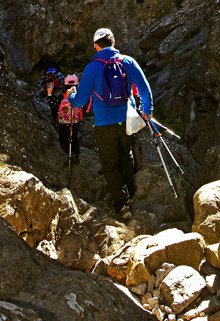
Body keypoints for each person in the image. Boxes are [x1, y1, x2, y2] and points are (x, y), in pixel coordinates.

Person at [66, 27, 152, 217]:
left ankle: (122, 206)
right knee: (126, 155)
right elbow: (145, 89)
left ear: (96, 46)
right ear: (113, 43)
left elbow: (80, 101)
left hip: (104, 124)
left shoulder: (92, 67)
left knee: (110, 164)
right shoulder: (128, 62)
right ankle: (130, 192)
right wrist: (148, 111)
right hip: (127, 121)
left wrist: (71, 96)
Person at [57, 74, 82, 163]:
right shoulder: (78, 96)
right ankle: (76, 155)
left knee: (63, 139)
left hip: (63, 122)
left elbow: (56, 108)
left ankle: (69, 153)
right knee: (74, 138)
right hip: (75, 121)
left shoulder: (61, 96)